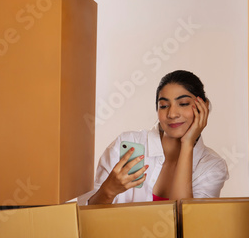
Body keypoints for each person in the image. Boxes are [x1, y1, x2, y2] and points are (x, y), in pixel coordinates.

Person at [78, 70, 229, 205]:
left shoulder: (212, 167)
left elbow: (187, 224)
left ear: (204, 107)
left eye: (183, 103)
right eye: (163, 106)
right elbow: (85, 217)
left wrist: (187, 144)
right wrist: (108, 191)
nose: (172, 114)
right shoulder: (128, 144)